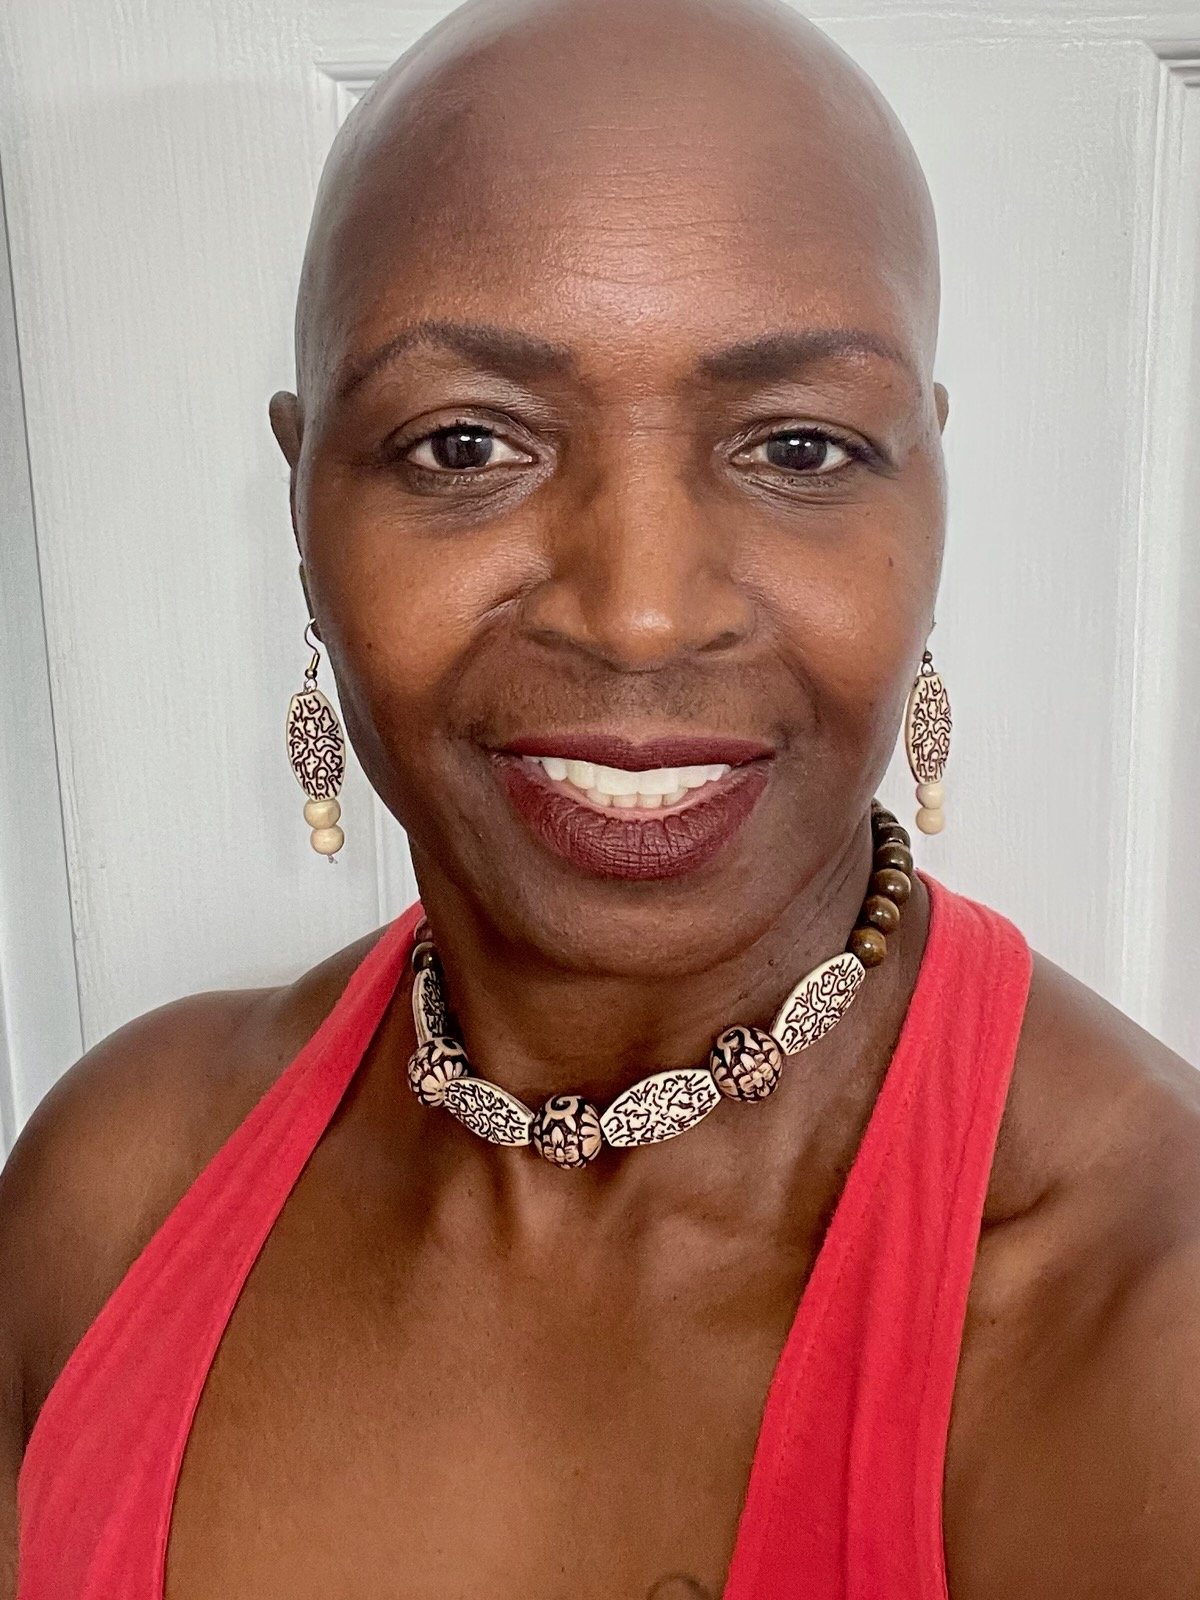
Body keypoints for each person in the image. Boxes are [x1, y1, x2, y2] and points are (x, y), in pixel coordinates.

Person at [3, 0, 1199, 1594]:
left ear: (928, 489)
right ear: (301, 501)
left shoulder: (1142, 1320)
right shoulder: (112, 1193)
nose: (639, 615)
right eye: (464, 444)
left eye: (799, 448)